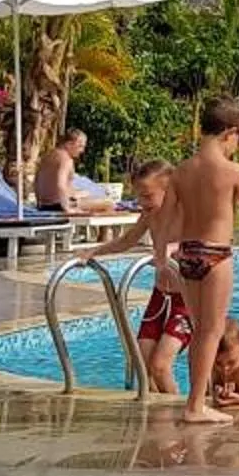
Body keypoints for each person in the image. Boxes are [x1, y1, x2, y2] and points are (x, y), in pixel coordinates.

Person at [160, 100, 239, 425]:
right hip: (216, 255)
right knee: (211, 332)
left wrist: (161, 257)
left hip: (187, 254)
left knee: (200, 331)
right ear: (230, 132)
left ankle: (196, 401)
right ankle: (195, 406)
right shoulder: (233, 172)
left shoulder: (181, 171)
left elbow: (165, 218)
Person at [80, 161, 184, 392]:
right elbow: (127, 241)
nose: (141, 203)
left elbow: (202, 241)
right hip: (160, 296)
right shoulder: (150, 216)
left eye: (147, 196)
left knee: (160, 366)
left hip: (185, 302)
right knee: (143, 362)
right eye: (138, 196)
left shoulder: (184, 214)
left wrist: (173, 247)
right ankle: (157, 414)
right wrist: (94, 251)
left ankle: (176, 412)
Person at [35, 130, 118, 212]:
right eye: (80, 146)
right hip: (60, 205)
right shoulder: (66, 159)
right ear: (69, 144)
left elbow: (37, 181)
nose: (82, 150)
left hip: (44, 205)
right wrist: (67, 208)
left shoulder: (47, 157)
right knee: (109, 203)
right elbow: (60, 184)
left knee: (85, 193)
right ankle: (104, 226)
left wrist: (39, 203)